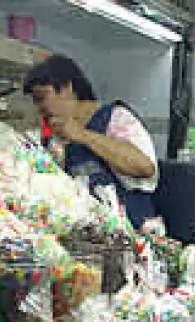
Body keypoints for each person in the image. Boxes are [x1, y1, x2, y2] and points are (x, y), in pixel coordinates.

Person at [23, 55, 161, 232]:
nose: (39, 108)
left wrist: (82, 135)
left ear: (67, 88)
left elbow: (144, 167)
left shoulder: (115, 118)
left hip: (132, 232)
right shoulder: (54, 140)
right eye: (35, 102)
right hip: (84, 233)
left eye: (41, 97)